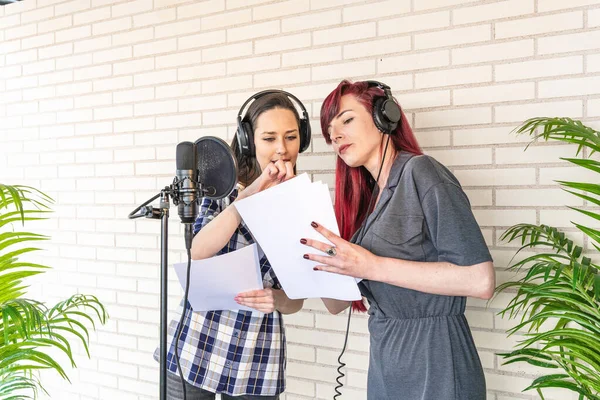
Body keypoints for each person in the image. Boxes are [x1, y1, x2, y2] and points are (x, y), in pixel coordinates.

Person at [300, 80, 495, 400]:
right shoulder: (367, 202)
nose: (335, 135)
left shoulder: (422, 172)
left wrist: (371, 265)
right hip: (387, 365)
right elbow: (336, 305)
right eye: (330, 131)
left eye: (346, 120)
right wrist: (304, 256)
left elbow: (481, 280)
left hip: (437, 362)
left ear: (384, 117)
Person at [159, 90, 311, 400]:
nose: (282, 149)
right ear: (247, 141)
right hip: (195, 344)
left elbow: (297, 300)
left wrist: (277, 300)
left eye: (291, 137)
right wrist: (250, 195)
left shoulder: (306, 205)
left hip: (256, 358)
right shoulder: (221, 186)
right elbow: (198, 251)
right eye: (269, 138)